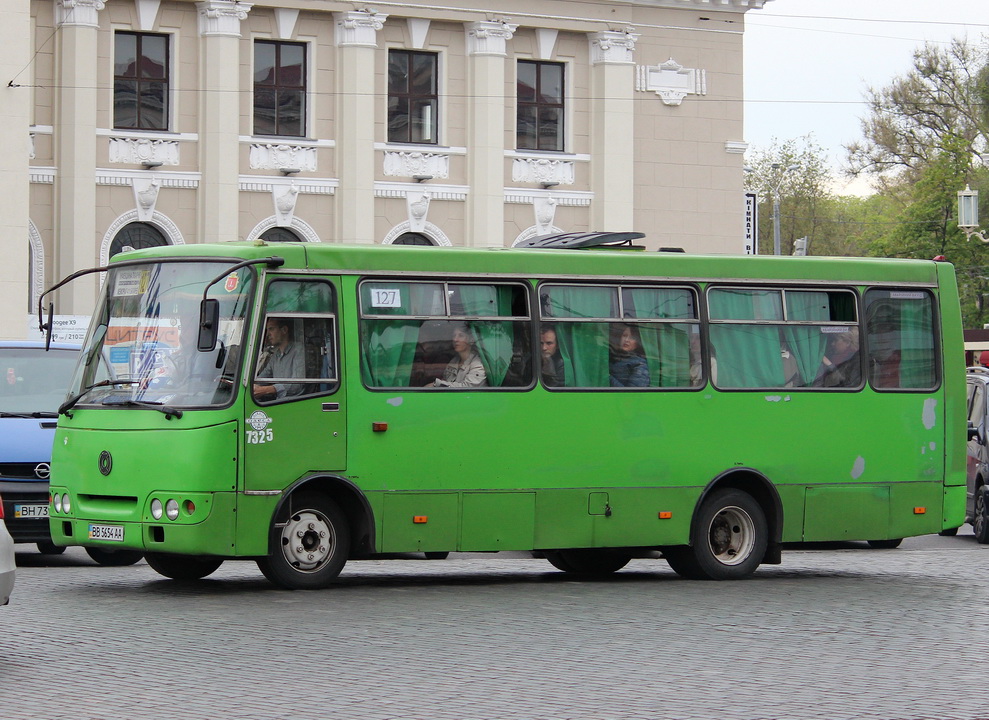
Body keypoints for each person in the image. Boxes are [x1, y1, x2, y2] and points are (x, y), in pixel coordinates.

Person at [254, 317, 305, 400]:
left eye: (271, 329)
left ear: (284, 330)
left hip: (294, 403)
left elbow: (297, 385)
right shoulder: (276, 355)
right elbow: (264, 377)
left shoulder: (299, 350)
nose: (268, 334)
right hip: (277, 402)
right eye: (267, 330)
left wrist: (268, 389)